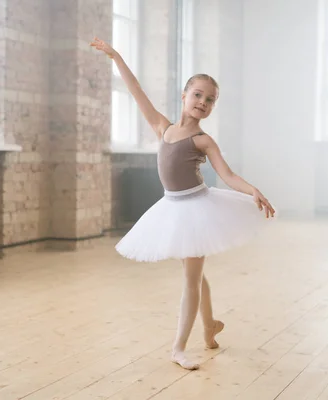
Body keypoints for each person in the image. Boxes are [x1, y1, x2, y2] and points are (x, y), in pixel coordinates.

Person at [90, 37, 276, 370]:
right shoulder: (162, 127)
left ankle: (178, 347)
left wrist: (253, 191)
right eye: (198, 95)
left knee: (191, 277)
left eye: (210, 100)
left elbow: (228, 175)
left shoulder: (203, 140)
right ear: (184, 96)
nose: (203, 102)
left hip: (197, 209)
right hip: (171, 208)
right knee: (195, 272)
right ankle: (209, 327)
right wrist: (115, 55)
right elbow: (136, 91)